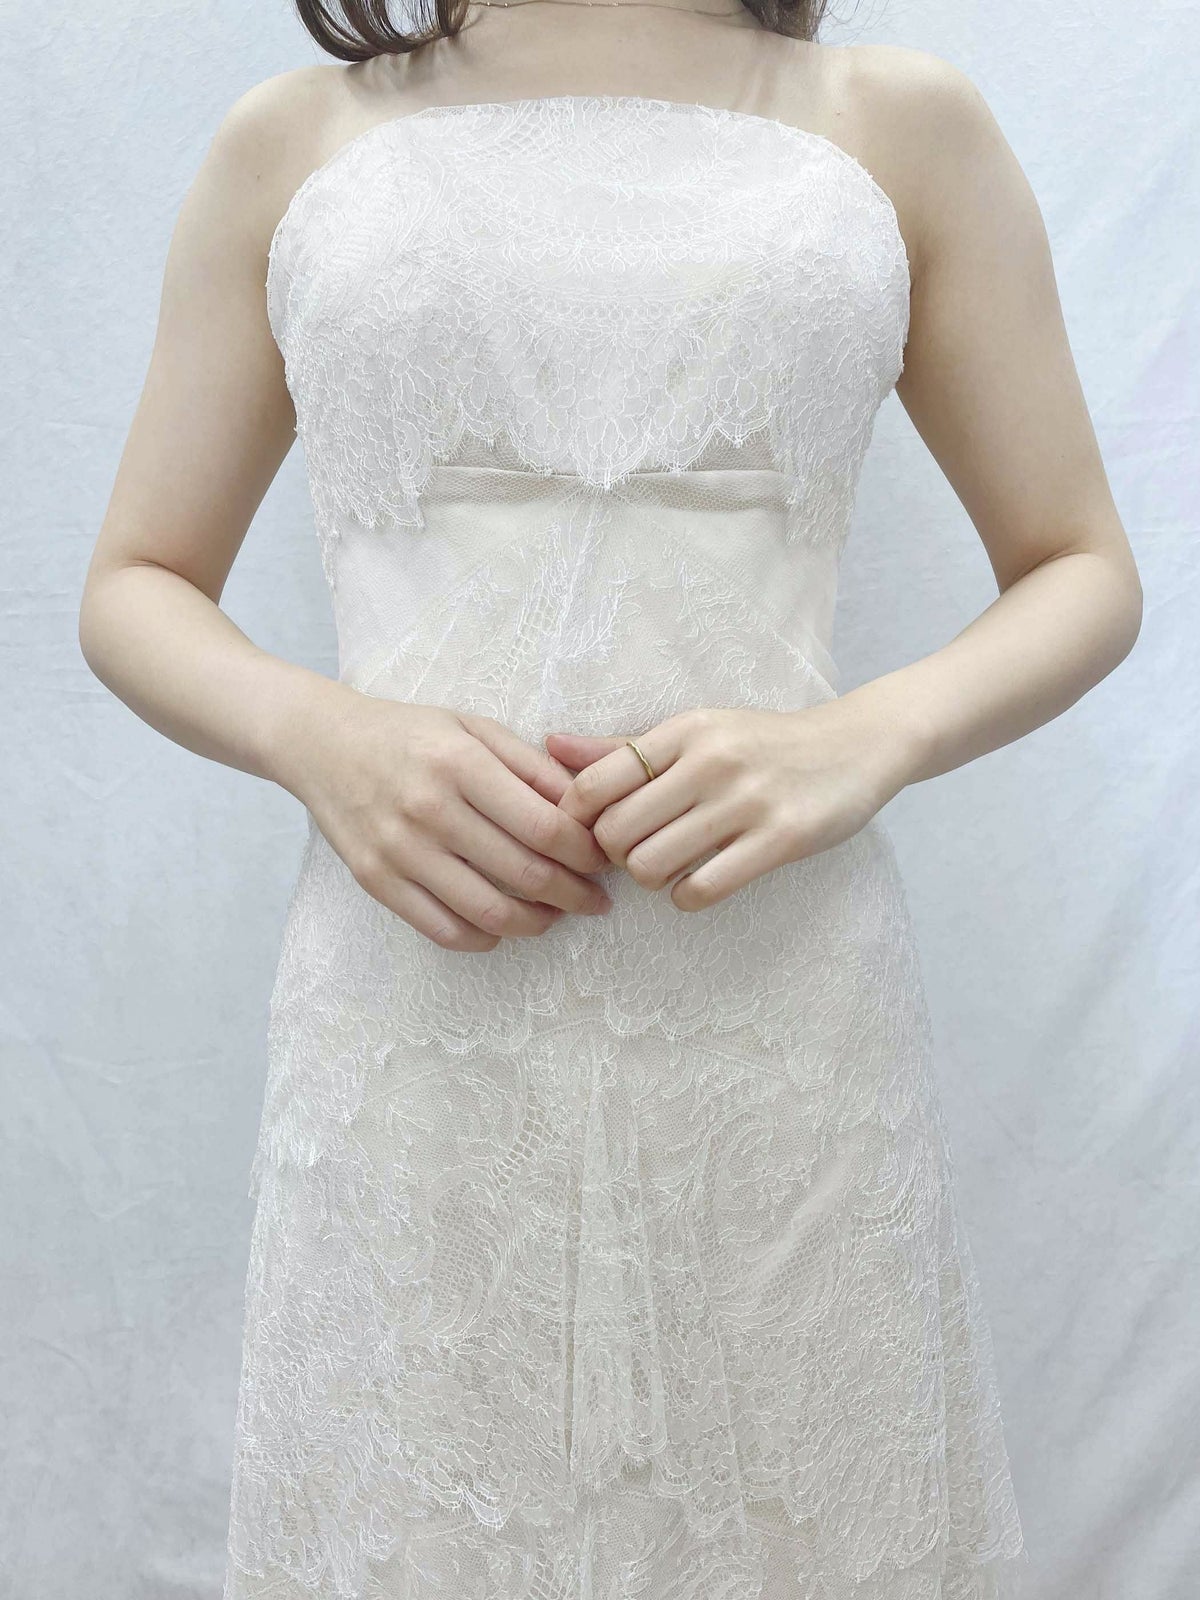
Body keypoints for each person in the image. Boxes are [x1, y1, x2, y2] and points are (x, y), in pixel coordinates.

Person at [77, 0, 1142, 1594]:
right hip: (415, 1017)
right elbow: (137, 580)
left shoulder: (896, 123)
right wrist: (321, 737)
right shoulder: (291, 142)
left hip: (780, 1021)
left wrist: (869, 735)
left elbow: (1081, 564)